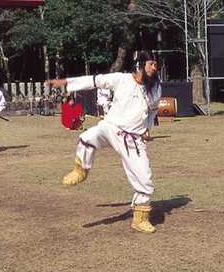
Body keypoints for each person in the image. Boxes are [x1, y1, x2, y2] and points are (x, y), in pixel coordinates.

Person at [45, 51, 162, 234]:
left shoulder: (155, 88)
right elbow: (95, 80)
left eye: (156, 65)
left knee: (145, 179)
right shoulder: (121, 79)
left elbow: (153, 110)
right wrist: (68, 83)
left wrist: (148, 127)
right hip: (111, 127)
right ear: (140, 65)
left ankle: (140, 220)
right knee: (87, 137)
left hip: (133, 139)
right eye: (151, 64)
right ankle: (81, 170)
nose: (154, 68)